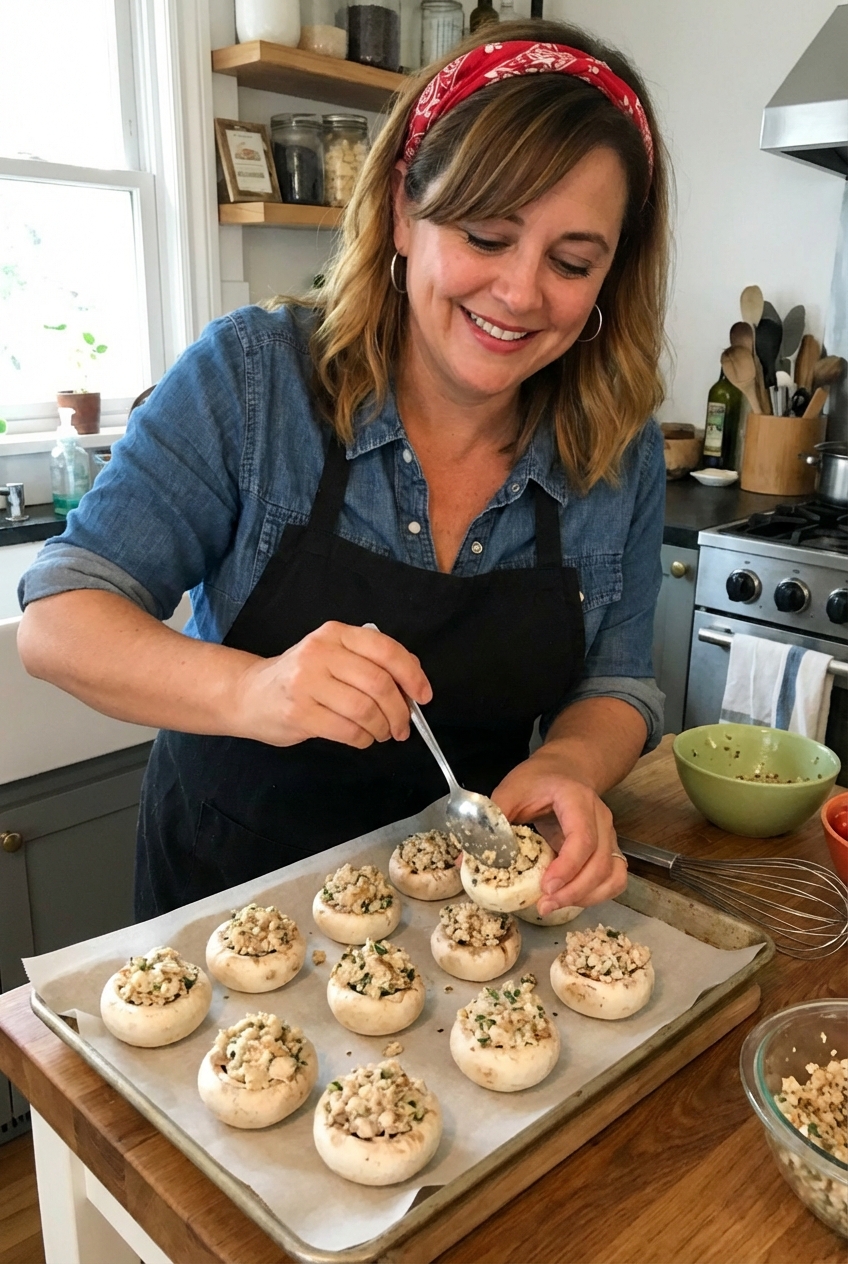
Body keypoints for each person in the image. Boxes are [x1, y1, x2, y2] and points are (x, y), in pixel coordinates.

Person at [17, 19, 670, 922]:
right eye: (486, 236)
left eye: (571, 261)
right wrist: (255, 689)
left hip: (468, 924)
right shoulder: (254, 382)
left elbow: (618, 682)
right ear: (406, 209)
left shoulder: (618, 448)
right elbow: (58, 622)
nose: (522, 294)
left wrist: (569, 765)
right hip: (227, 906)